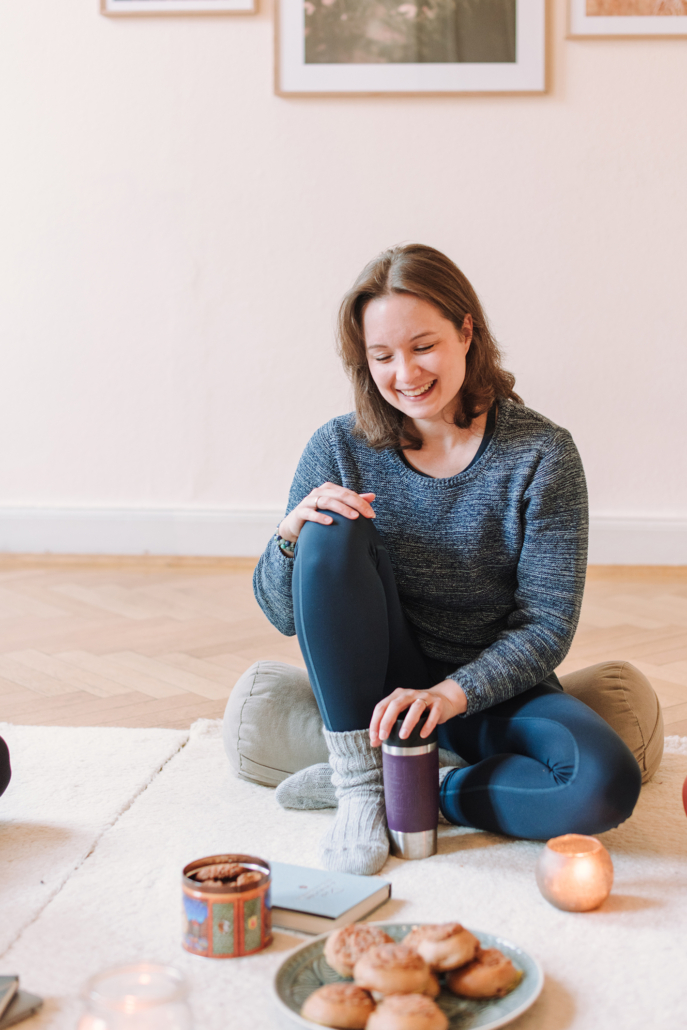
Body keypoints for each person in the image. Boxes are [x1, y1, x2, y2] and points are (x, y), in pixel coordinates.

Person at [253, 244, 641, 876]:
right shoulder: (337, 447)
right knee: (329, 530)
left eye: (423, 346)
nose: (405, 373)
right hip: (375, 697)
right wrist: (289, 537)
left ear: (467, 331)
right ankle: (359, 785)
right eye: (382, 357)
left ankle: (415, 786)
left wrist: (453, 694)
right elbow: (281, 614)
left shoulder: (542, 455)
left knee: (603, 783)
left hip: (486, 692)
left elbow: (548, 625)